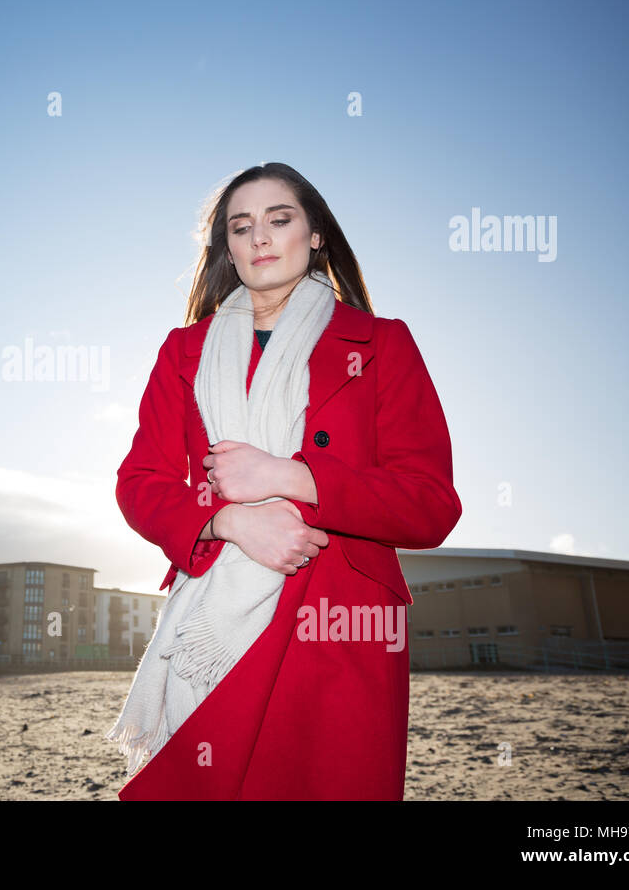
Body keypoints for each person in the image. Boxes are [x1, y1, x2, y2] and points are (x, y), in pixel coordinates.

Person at [105, 162, 461, 799]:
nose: (259, 238)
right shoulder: (183, 351)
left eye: (279, 219)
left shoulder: (381, 344)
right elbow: (140, 482)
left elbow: (430, 505)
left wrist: (291, 478)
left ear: (316, 234)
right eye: (241, 227)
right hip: (211, 621)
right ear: (228, 248)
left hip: (340, 627)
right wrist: (227, 520)